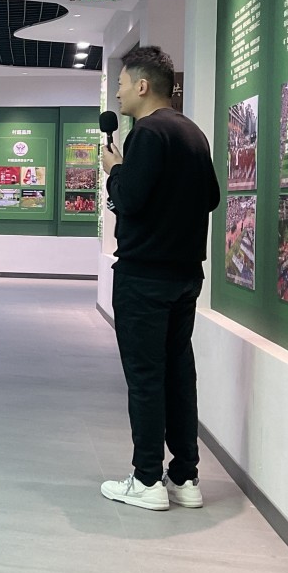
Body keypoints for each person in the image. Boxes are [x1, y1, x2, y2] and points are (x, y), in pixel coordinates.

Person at [100, 45, 220, 512]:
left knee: (146, 377)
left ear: (143, 85)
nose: (118, 93)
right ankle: (185, 476)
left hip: (144, 276)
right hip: (185, 275)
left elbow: (129, 200)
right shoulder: (193, 133)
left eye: (122, 84)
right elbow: (211, 197)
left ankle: (147, 478)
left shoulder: (147, 134)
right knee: (178, 373)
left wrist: (115, 171)